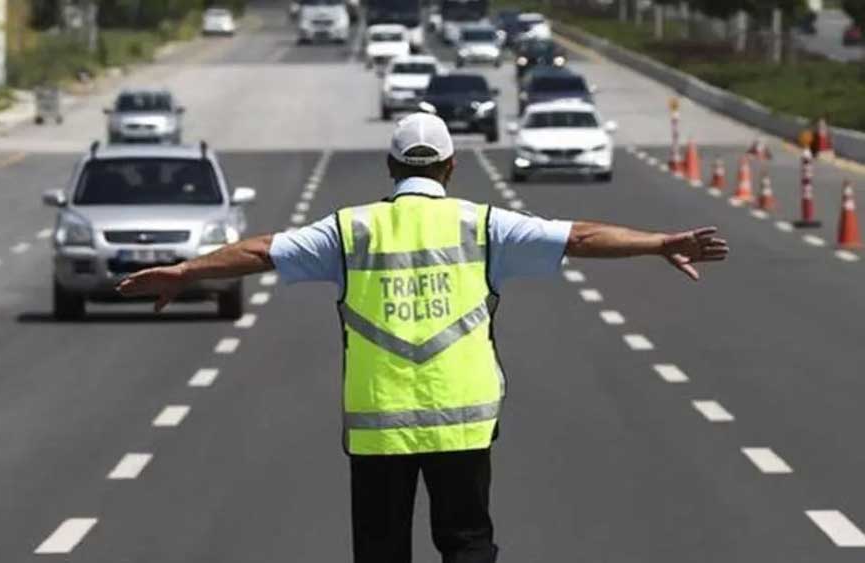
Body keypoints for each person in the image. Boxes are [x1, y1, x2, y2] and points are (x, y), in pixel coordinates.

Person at [116, 113, 729, 563]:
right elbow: (580, 237)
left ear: (390, 167)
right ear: (450, 167)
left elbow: (258, 251)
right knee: (467, 541)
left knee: (381, 549)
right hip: (461, 419)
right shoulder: (482, 224)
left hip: (380, 420)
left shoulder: (351, 229)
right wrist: (659, 243)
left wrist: (187, 270)